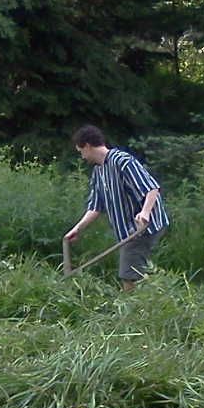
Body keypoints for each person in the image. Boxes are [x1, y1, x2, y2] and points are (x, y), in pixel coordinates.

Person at [64, 124, 169, 291]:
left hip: (142, 227)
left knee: (129, 274)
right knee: (137, 269)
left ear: (88, 146)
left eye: (81, 151)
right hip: (126, 231)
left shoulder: (122, 161)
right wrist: (78, 228)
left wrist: (145, 213)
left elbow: (152, 188)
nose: (82, 157)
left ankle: (134, 310)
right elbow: (95, 207)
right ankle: (156, 296)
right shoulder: (98, 172)